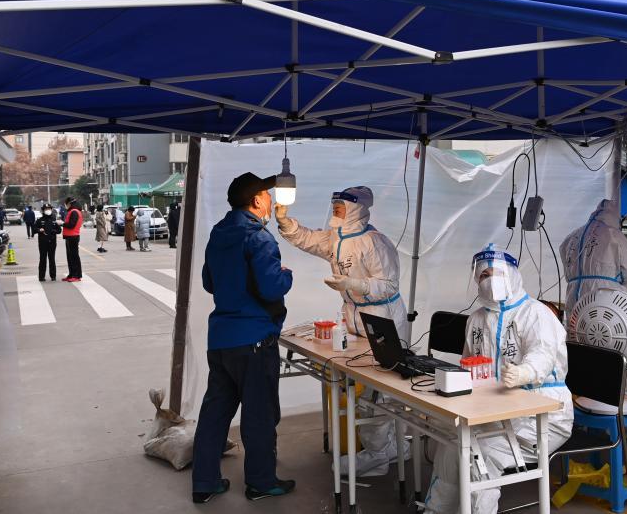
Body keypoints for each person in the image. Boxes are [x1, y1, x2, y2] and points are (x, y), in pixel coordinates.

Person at [423, 245, 574, 514]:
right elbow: (469, 363)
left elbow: (543, 353)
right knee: (451, 444)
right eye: (483, 275)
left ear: (513, 274)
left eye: (496, 273)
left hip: (542, 415)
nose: (490, 280)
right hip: (493, 411)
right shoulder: (477, 319)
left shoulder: (535, 313)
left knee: (478, 452)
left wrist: (525, 372)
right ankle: (437, 510)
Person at [276, 185, 408, 476]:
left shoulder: (374, 243)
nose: (335, 210)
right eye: (334, 205)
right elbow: (310, 240)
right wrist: (286, 223)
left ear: (356, 209)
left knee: (380, 392)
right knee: (366, 387)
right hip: (356, 317)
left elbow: (389, 285)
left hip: (382, 318)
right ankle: (388, 446)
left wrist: (355, 285)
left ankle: (378, 455)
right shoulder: (337, 238)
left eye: (341, 207)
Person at [191, 172, 295, 504]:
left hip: (221, 340)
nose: (272, 200)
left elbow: (209, 282)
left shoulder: (219, 233)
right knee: (259, 415)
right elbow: (271, 288)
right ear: (256, 201)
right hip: (254, 340)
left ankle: (204, 482)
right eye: (267, 195)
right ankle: (261, 482)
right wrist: (286, 275)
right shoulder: (258, 238)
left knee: (215, 413)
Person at [559, 198, 627, 315]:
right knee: (603, 324)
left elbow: (565, 262)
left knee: (576, 324)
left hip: (573, 294)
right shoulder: (615, 235)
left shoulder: (572, 236)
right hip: (605, 294)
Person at [34, 203, 61, 281]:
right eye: (46, 209)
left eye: (49, 209)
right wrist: (39, 230)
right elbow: (34, 229)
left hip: (52, 242)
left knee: (52, 259)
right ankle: (41, 276)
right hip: (42, 243)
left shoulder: (54, 220)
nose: (48, 210)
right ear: (43, 210)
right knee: (43, 259)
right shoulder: (39, 220)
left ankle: (53, 276)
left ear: (51, 210)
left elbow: (59, 230)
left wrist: (53, 231)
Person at [62, 197, 83, 282]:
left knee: (74, 257)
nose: (65, 206)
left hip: (73, 237)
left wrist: (62, 223)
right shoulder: (73, 211)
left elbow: (71, 225)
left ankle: (76, 275)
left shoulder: (74, 211)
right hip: (69, 236)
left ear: (69, 203)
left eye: (66, 204)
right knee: (70, 257)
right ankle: (71, 274)